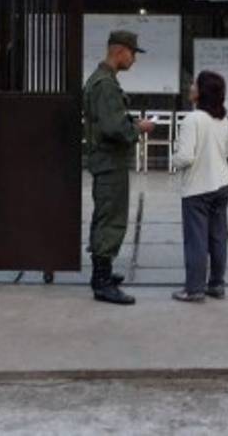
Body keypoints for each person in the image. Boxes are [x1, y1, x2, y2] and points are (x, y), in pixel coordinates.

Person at [83, 29, 154, 305]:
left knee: (105, 215)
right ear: (120, 51)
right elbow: (113, 127)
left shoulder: (103, 80)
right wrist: (139, 128)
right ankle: (102, 282)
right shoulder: (105, 85)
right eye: (133, 53)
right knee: (111, 220)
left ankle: (103, 273)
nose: (134, 59)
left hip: (107, 160)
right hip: (109, 161)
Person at [171, 70, 228, 303]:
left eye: (194, 85)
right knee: (217, 237)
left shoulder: (192, 120)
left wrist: (173, 159)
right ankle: (216, 284)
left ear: (201, 92)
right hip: (222, 184)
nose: (191, 87)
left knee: (196, 240)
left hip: (198, 188)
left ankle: (194, 288)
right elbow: (226, 152)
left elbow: (185, 157)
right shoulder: (222, 119)